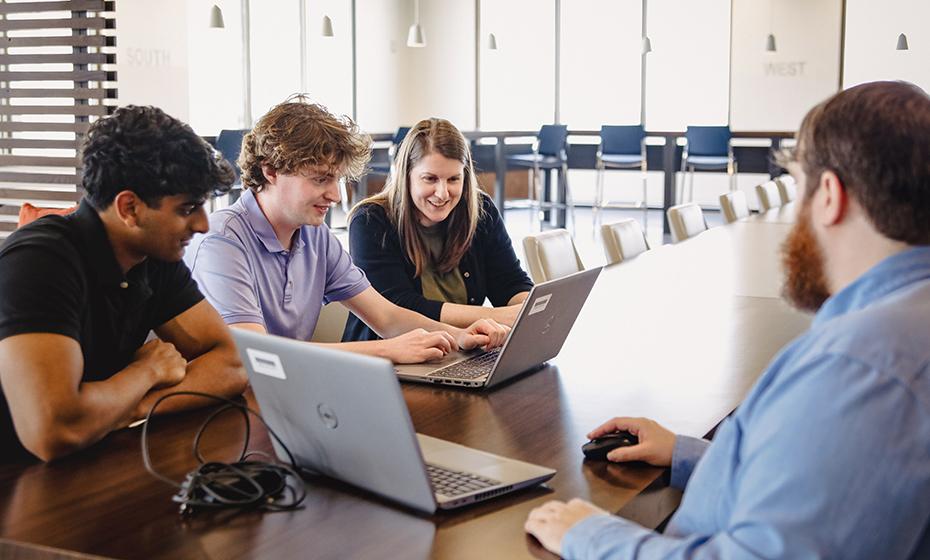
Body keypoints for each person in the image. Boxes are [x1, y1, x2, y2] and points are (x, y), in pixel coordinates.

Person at [525, 81, 930, 558]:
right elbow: (829, 479)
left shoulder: (857, 366)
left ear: (828, 196)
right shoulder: (904, 322)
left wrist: (591, 535)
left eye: (797, 187)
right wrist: (691, 453)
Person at [0, 106, 247, 463]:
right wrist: (146, 371)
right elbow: (53, 430)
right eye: (187, 208)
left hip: (88, 459)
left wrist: (130, 409)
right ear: (130, 208)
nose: (203, 225)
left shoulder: (153, 256)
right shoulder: (39, 261)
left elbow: (231, 364)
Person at [186, 98, 508, 364]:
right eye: (320, 179)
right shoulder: (222, 241)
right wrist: (384, 350)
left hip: (287, 394)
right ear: (270, 171)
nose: (336, 196)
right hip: (221, 413)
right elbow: (256, 355)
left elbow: (387, 317)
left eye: (337, 180)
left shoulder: (315, 235)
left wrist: (458, 336)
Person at [343, 118, 532, 343]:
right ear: (406, 176)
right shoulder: (370, 221)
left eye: (454, 179)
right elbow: (399, 307)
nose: (442, 193)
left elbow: (510, 282)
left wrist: (527, 308)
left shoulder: (481, 210)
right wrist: (496, 316)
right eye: (430, 179)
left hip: (460, 351)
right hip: (388, 359)